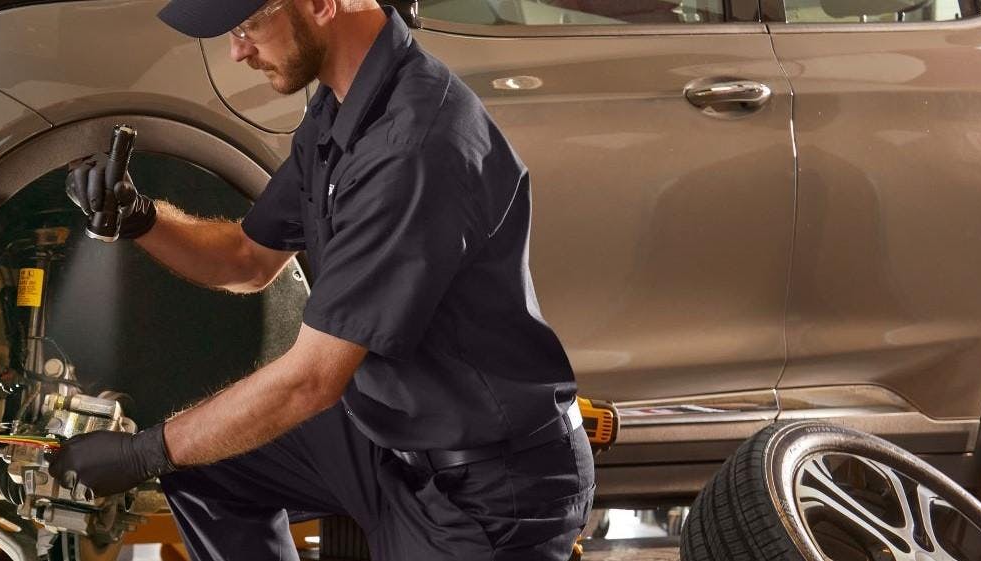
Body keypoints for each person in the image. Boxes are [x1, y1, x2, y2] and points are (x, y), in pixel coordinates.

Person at [47, 0, 593, 557]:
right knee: (209, 467)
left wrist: (143, 453)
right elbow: (247, 258)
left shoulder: (412, 147)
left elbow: (309, 381)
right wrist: (141, 217)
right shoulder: (344, 107)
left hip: (489, 492)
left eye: (247, 25)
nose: (238, 50)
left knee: (182, 449)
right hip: (389, 444)